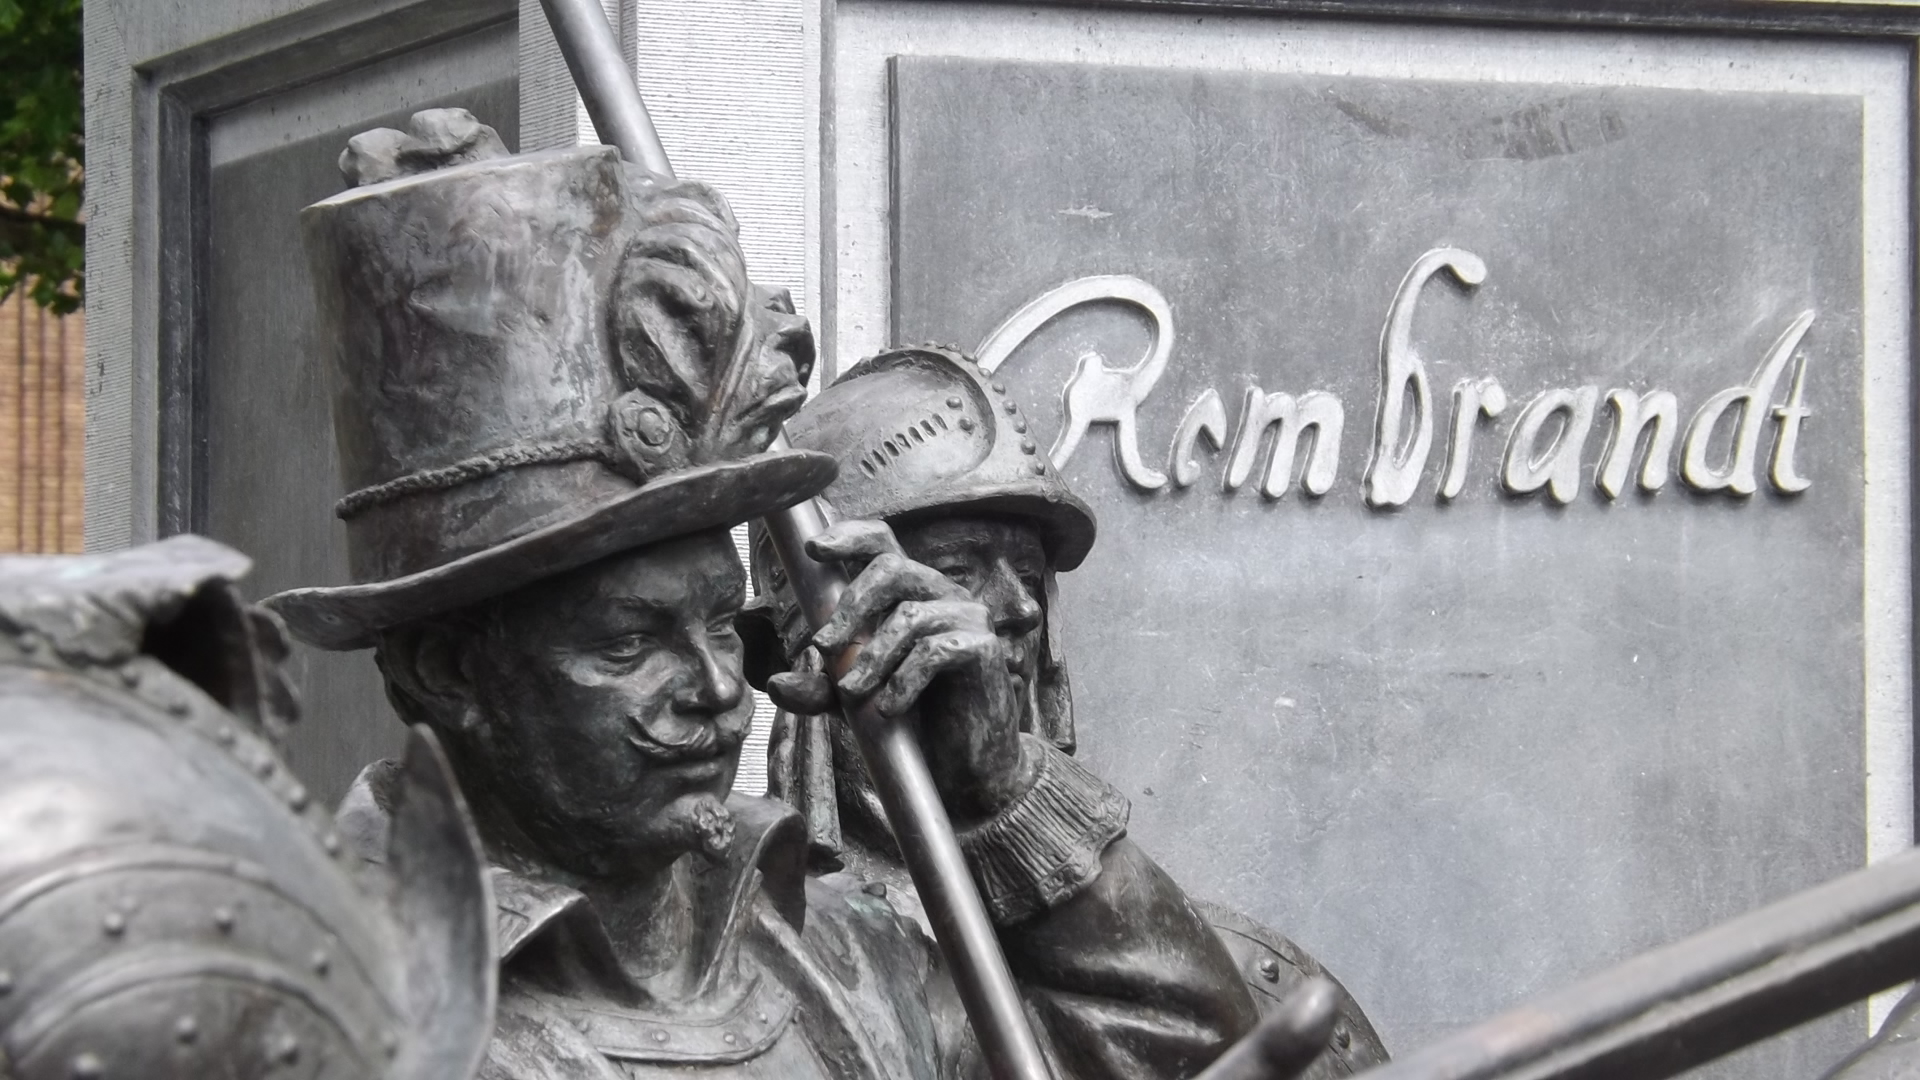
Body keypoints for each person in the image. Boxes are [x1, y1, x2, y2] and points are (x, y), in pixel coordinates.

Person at [266, 109, 1262, 1079]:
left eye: (718, 623)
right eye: (629, 643)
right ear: (445, 670)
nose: (716, 690)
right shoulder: (318, 1020)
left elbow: (1205, 1061)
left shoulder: (842, 961)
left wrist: (1002, 793)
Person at [743, 345, 1390, 1078]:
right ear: (801, 644)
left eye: (1028, 574)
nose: (1019, 608)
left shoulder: (1221, 965)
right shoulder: (756, 975)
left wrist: (1003, 789)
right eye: (955, 572)